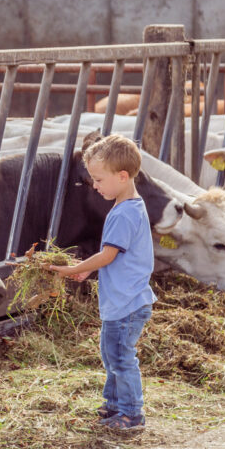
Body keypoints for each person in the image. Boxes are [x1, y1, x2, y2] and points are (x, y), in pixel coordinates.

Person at [49, 134, 156, 430]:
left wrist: (72, 270)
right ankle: (113, 406)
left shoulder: (123, 214)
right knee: (111, 355)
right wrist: (86, 271)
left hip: (126, 303)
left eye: (98, 180)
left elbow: (108, 255)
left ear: (122, 176)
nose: (94, 186)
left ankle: (132, 414)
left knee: (121, 358)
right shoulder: (130, 206)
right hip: (124, 300)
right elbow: (116, 257)